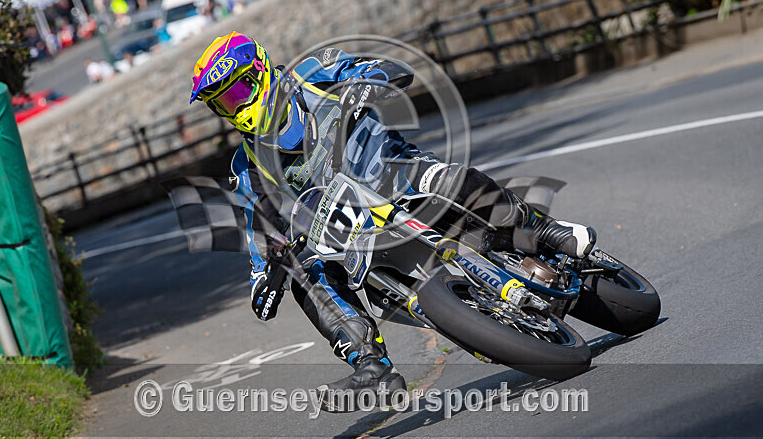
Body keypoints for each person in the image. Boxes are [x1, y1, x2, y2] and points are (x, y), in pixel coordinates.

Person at [189, 32, 597, 408]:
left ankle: (544, 231)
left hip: (392, 172)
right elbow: (259, 223)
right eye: (222, 102)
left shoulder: (313, 72)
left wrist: (370, 81)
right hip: (347, 228)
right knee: (302, 271)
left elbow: (389, 69)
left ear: (260, 69)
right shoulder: (246, 164)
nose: (235, 106)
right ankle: (371, 369)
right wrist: (261, 274)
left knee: (440, 179)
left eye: (238, 90)